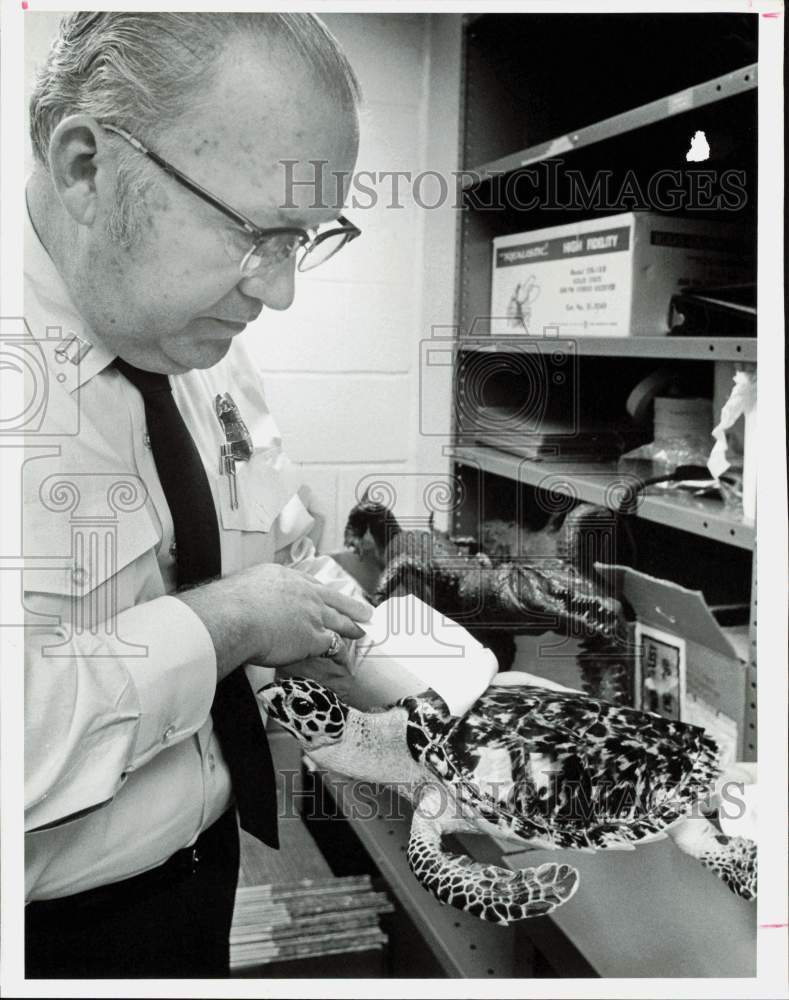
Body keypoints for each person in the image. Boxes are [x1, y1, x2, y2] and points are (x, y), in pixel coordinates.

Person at [23, 12, 376, 979]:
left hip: (201, 877)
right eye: (257, 231)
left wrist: (385, 648)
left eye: (304, 239)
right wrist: (224, 626)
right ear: (89, 165)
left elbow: (281, 555)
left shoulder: (198, 344)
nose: (281, 291)